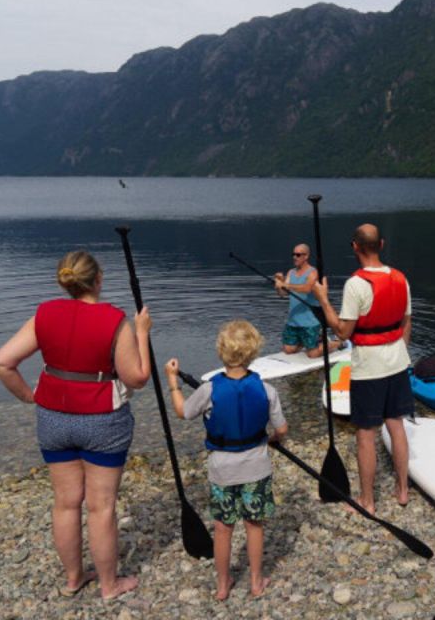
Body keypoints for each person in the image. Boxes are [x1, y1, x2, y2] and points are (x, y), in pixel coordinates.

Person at [0, 251, 151, 601]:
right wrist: (141, 333)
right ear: (98, 280)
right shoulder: (115, 320)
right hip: (103, 421)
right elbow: (137, 377)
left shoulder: (45, 313)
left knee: (65, 503)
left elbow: (3, 362)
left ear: (65, 281)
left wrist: (29, 397)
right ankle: (110, 586)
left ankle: (73, 578)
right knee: (101, 506)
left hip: (53, 418)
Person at [164, 320, 287, 601]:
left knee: (223, 528)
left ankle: (223, 584)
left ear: (221, 352)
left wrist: (173, 383)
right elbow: (281, 430)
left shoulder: (208, 390)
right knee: (254, 525)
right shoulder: (267, 390)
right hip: (257, 468)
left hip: (222, 470)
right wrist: (273, 440)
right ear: (253, 352)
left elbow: (183, 412)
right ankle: (256, 581)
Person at [311, 224, 412, 515]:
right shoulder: (400, 278)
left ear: (355, 247)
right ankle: (402, 490)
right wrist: (401, 353)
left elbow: (343, 332)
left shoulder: (356, 285)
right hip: (398, 362)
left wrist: (323, 299)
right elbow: (407, 321)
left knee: (366, 434)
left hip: (369, 368)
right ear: (381, 244)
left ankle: (368, 501)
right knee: (396, 425)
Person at [273, 243, 342, 358]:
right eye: (293, 254)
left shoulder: (313, 273)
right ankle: (305, 342)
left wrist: (286, 284)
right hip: (293, 321)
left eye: (298, 255)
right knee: (288, 350)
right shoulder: (291, 272)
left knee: (312, 354)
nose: (295, 257)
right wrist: (278, 286)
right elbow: (283, 293)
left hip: (310, 322)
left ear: (306, 256)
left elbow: (307, 288)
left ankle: (337, 342)